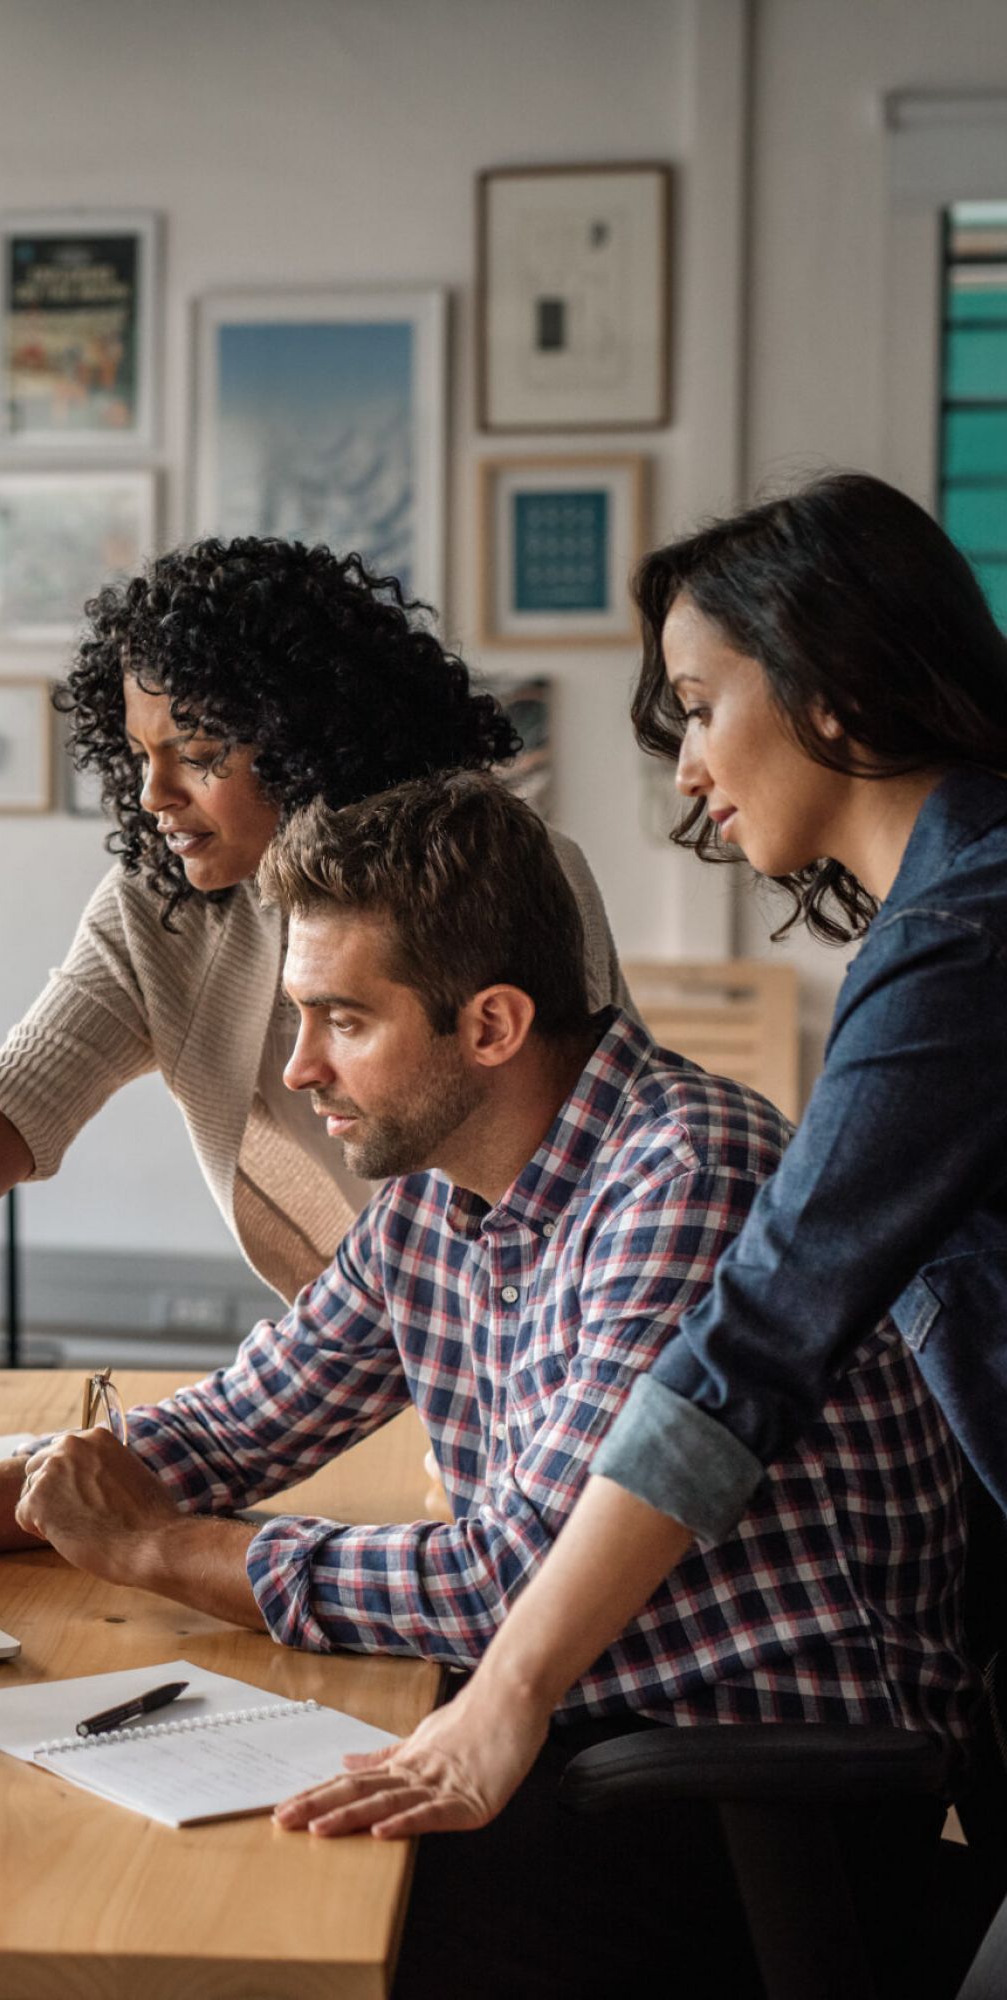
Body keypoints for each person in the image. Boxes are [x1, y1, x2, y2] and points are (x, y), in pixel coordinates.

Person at [0, 773, 972, 2000]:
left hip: (746, 1801)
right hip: (587, 1732)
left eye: (343, 1021)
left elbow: (503, 1582)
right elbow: (239, 1419)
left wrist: (161, 1552)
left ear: (490, 1025)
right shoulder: (441, 1186)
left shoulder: (679, 1178)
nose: (300, 1068)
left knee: (194, 1913)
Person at [277, 473, 1007, 1853]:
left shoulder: (963, 936)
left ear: (831, 687)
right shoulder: (952, 907)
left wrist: (512, 1689)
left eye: (702, 703)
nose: (685, 766)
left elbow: (760, 1337)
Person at [0, 537, 624, 1439]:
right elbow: (19, 1097)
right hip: (358, 1354)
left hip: (544, 1348)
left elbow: (566, 1176)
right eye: (141, 754)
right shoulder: (162, 906)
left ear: (310, 736)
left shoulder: (495, 878)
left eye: (197, 751)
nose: (153, 793)